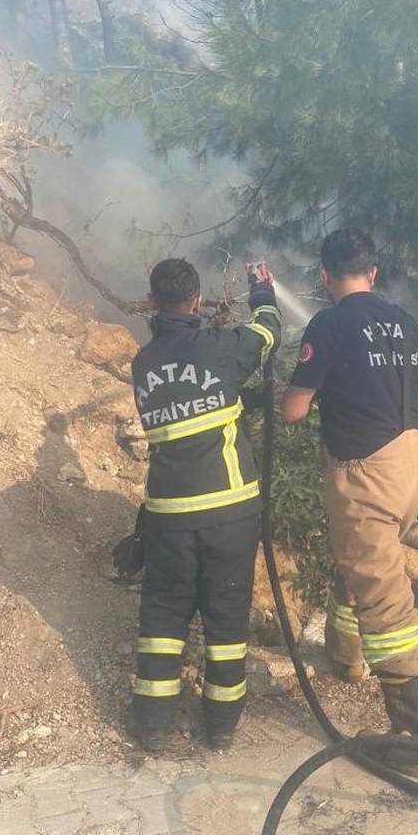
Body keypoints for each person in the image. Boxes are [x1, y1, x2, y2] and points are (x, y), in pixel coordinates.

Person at [281, 228, 418, 773]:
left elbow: (294, 411)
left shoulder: (328, 324)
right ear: (372, 273)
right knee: (358, 563)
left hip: (366, 474)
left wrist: (290, 391)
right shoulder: (404, 322)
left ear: (325, 276)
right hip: (413, 467)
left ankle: (410, 737)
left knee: (383, 597)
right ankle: (346, 658)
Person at [125, 257, 280, 753]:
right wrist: (262, 289)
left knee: (163, 617)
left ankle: (153, 724)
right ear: (197, 301)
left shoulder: (142, 364)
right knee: (227, 619)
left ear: (152, 301)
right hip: (230, 513)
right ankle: (220, 726)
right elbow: (268, 332)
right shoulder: (221, 347)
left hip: (170, 517)